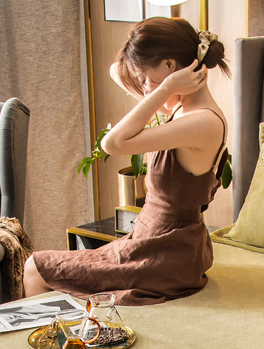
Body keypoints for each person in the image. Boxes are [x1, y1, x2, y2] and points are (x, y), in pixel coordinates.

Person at [23, 17, 229, 305]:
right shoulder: (183, 109)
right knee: (51, 270)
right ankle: (74, 329)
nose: (144, 88)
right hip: (156, 242)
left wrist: (166, 87)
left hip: (166, 253)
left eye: (145, 78)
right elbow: (115, 72)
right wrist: (165, 83)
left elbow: (112, 143)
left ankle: (63, 332)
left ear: (169, 65)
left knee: (35, 268)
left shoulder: (201, 122)